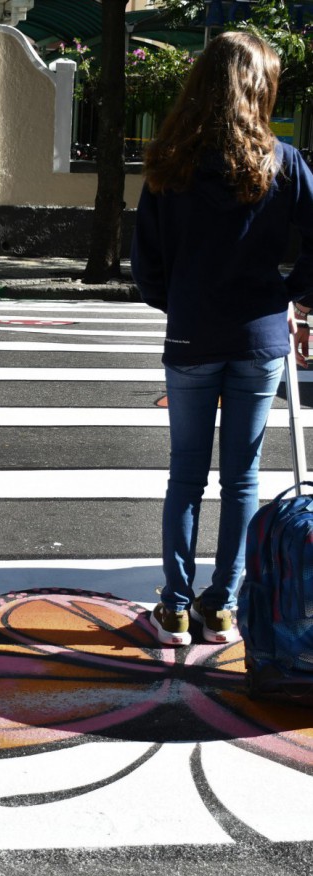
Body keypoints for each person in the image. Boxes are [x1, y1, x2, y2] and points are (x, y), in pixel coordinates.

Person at [131, 31, 313, 648]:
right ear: (261, 87)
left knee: (186, 475)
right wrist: (291, 293)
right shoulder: (283, 161)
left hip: (192, 337)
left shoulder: (168, 163)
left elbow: (147, 265)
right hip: (259, 338)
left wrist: (182, 303)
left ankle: (175, 609)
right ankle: (223, 608)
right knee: (242, 478)